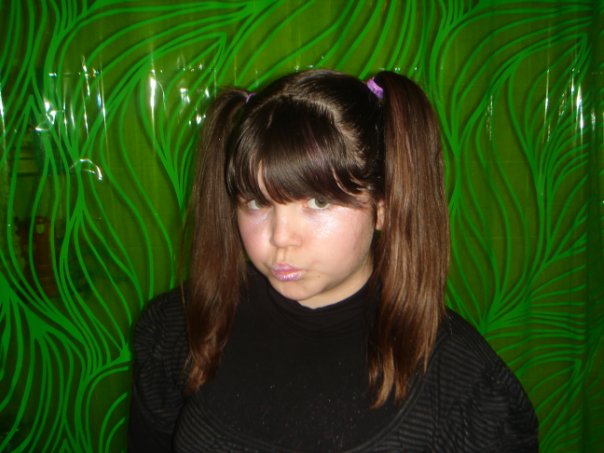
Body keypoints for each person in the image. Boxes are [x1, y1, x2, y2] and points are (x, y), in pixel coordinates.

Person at [128, 69, 538, 452]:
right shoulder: (184, 328)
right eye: (256, 201)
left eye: (319, 202)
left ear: (383, 207)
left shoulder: (461, 383)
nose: (280, 237)